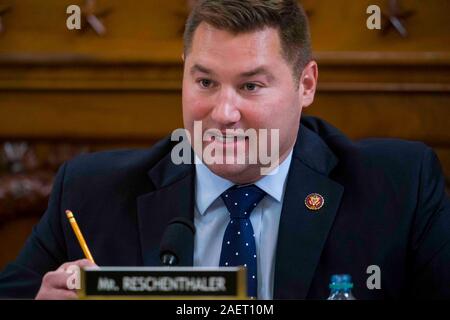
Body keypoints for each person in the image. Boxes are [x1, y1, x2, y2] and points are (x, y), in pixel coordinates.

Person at [1, 0, 449, 299]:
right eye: (205, 82)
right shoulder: (90, 193)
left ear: (305, 84)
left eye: (251, 85)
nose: (224, 113)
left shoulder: (400, 188)